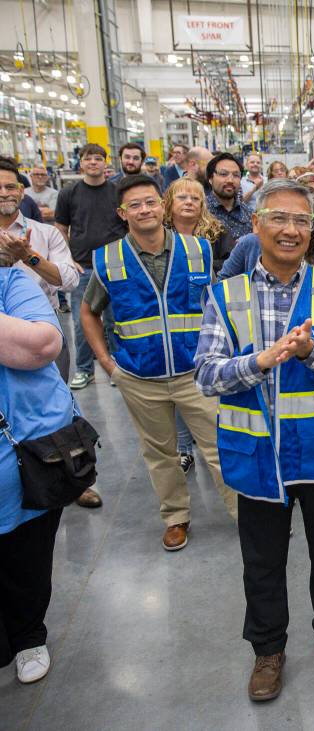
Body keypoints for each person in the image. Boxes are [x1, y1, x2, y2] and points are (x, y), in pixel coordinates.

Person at [194, 177, 314, 702]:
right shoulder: (226, 294)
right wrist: (262, 361)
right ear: (256, 224)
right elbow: (206, 373)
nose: (291, 230)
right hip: (257, 459)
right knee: (262, 560)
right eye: (280, 219)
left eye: (302, 221)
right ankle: (268, 650)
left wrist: (310, 352)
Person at [79, 175, 237, 549]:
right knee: (161, 453)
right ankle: (176, 517)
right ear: (123, 213)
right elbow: (88, 312)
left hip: (195, 373)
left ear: (161, 206)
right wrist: (108, 364)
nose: (144, 209)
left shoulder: (198, 249)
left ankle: (246, 515)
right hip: (139, 376)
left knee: (221, 446)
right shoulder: (109, 259)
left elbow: (214, 305)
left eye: (150, 202)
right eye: (135, 205)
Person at [0, 266, 74, 684]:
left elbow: (42, 345)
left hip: (23, 451)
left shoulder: (10, 281)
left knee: (26, 556)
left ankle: (30, 635)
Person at [163, 176, 234, 473]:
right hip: (172, 323)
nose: (189, 202)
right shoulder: (160, 237)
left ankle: (217, 443)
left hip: (210, 318)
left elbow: (229, 268)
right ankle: (183, 448)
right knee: (180, 389)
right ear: (170, 204)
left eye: (195, 198)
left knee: (211, 388)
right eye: (182, 197)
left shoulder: (216, 233)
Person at [54, 143, 127, 392]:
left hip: (115, 266)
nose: (93, 162)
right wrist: (67, 258)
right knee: (81, 321)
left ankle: (118, 368)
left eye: (98, 158)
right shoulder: (69, 193)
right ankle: (85, 370)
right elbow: (61, 228)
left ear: (106, 163)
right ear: (81, 163)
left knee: (116, 320)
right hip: (82, 267)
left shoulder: (117, 192)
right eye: (88, 159)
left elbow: (129, 227)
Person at [0, 160, 79, 376]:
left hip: (42, 330)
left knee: (53, 400)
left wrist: (29, 257)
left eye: (10, 187)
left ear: (22, 192)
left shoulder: (46, 234)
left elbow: (69, 281)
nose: (4, 193)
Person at [205, 153, 253, 242]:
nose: (230, 180)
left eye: (236, 175)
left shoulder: (249, 215)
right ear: (211, 178)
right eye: (223, 174)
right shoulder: (200, 211)